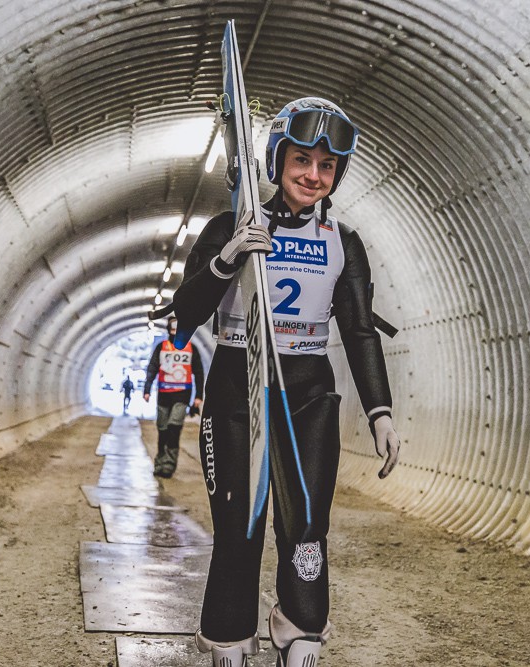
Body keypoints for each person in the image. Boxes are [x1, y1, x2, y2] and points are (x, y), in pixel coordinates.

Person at [162, 97, 400, 667]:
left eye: (327, 166)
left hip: (308, 396)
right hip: (236, 391)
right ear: (277, 160)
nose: (313, 175)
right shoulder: (229, 226)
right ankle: (228, 634)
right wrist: (227, 259)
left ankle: (299, 623)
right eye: (302, 160)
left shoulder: (343, 241)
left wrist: (380, 412)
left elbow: (359, 331)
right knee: (239, 528)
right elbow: (183, 319)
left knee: (307, 527)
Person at [143, 317, 204, 478]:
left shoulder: (191, 349)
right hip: (163, 395)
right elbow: (152, 368)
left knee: (173, 428)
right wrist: (147, 389)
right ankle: (160, 462)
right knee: (163, 429)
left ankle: (169, 464)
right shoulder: (162, 347)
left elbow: (198, 372)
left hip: (182, 395)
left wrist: (198, 396)